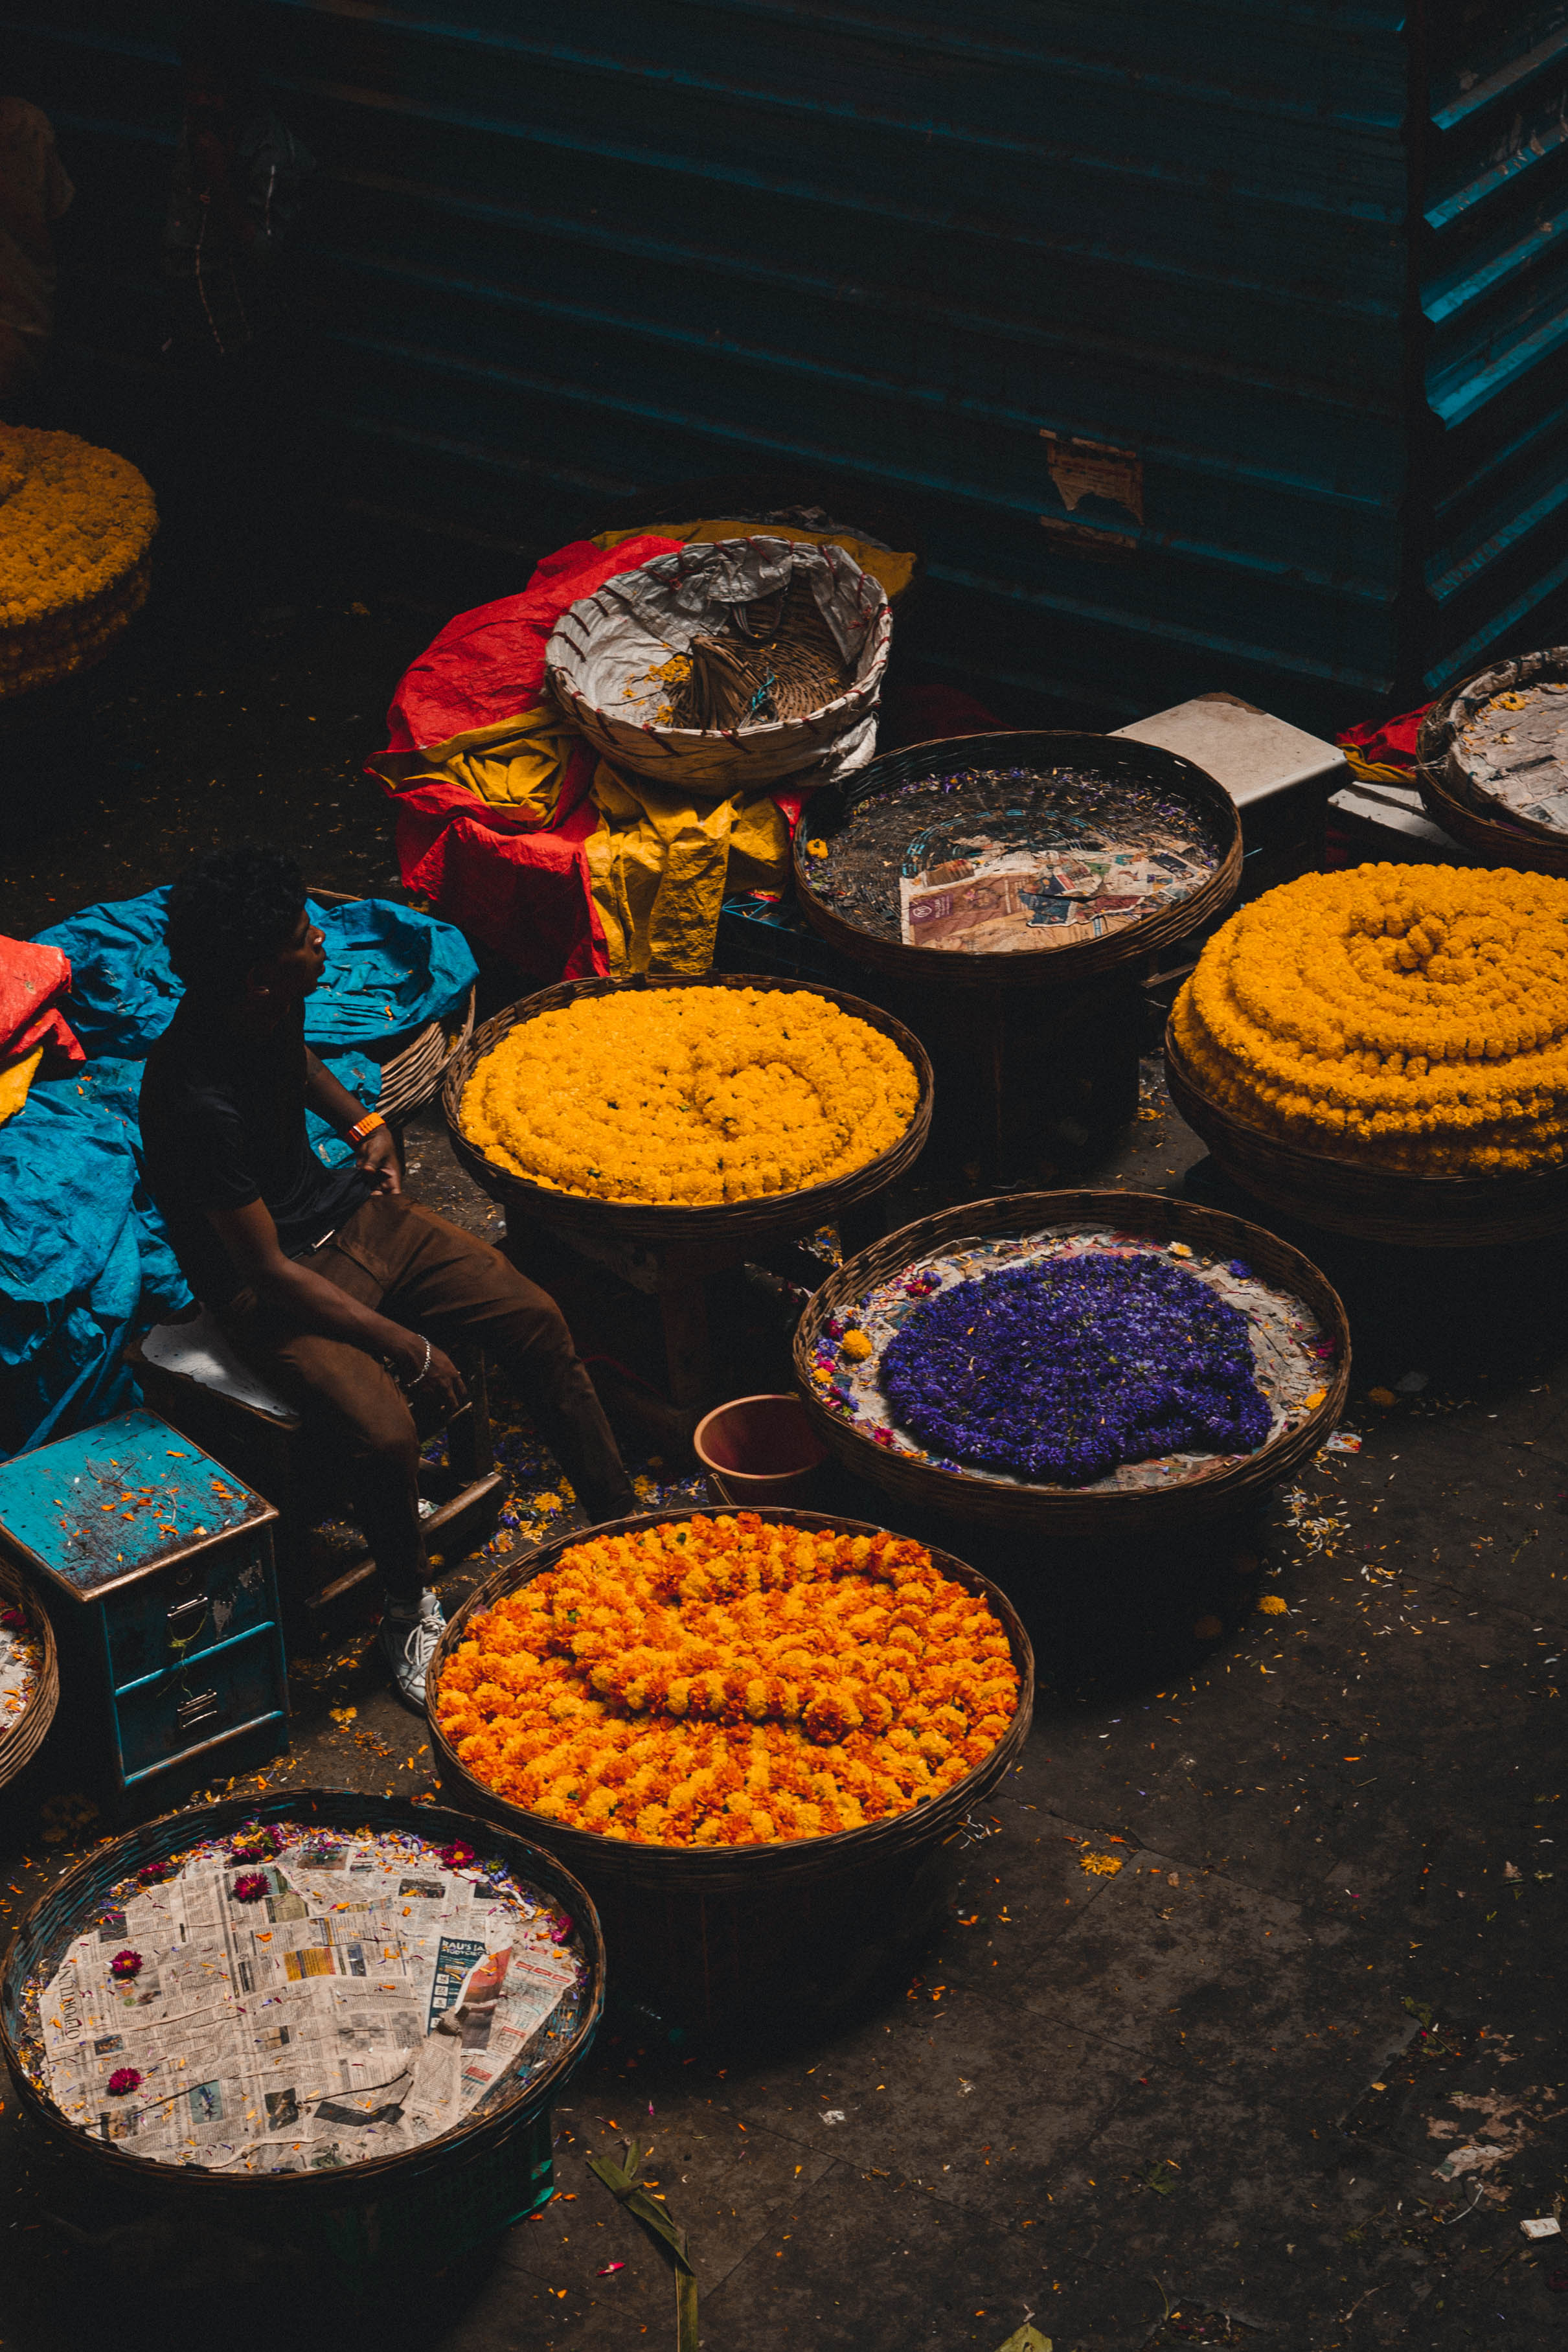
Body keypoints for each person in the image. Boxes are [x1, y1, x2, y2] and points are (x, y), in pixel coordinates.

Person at [139, 846, 637, 1707]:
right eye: (305, 936)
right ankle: (407, 1611)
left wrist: (364, 1121)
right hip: (276, 1289)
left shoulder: (269, 1004)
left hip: (353, 1218)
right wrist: (407, 1348)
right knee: (386, 1434)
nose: (323, 942)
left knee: (535, 1319)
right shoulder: (189, 1099)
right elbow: (265, 1270)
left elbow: (293, 1066)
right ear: (261, 974)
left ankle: (626, 1528)